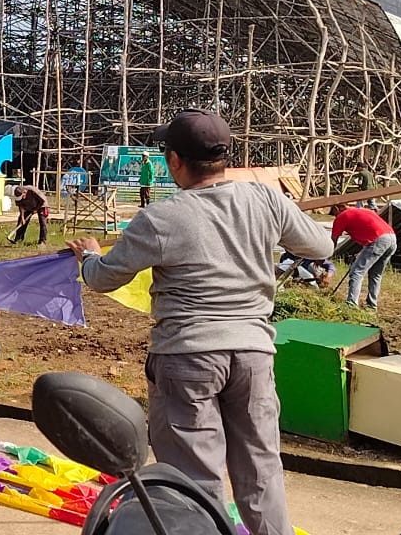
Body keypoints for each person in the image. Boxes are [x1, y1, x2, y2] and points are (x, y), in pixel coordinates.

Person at [66, 108, 332, 535]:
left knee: (193, 481)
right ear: (223, 156)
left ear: (174, 161)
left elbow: (101, 278)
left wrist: (89, 255)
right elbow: (320, 244)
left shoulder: (159, 219)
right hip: (253, 354)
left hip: (187, 357)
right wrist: (283, 216)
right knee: (262, 469)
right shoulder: (263, 199)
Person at [330, 204, 396, 310]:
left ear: (337, 209)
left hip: (378, 240)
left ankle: (351, 304)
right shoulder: (364, 211)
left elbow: (333, 239)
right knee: (376, 274)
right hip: (391, 238)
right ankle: (372, 306)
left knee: (356, 272)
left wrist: (328, 254)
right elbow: (369, 229)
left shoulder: (343, 216)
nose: (335, 217)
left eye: (334, 214)